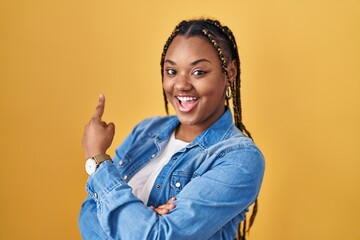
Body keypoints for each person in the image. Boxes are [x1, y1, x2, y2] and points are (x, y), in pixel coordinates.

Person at [79, 18, 265, 240]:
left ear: (230, 73)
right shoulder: (145, 131)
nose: (181, 85)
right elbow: (87, 216)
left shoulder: (240, 158)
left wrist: (98, 160)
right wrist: (141, 226)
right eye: (171, 71)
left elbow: (159, 236)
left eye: (198, 72)